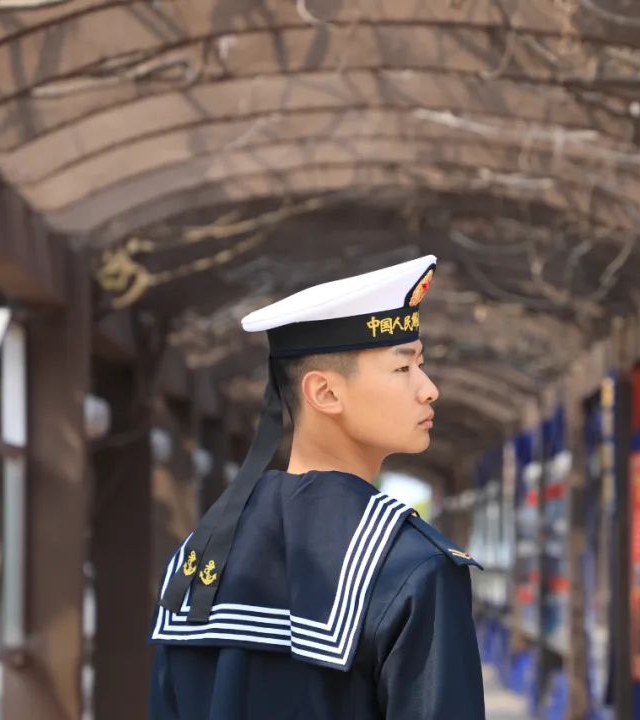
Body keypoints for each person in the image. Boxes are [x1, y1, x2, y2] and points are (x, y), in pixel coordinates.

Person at [148, 255, 486, 719]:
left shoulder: (196, 562)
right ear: (324, 393)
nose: (429, 389)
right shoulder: (412, 569)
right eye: (403, 368)